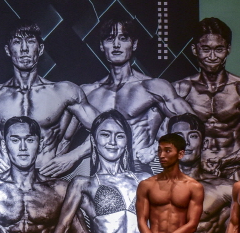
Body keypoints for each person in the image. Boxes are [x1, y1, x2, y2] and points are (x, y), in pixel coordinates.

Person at [0, 22, 99, 178]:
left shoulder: (64, 92)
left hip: (48, 179)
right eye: (17, 42)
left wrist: (73, 156)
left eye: (30, 41)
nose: (24, 48)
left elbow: (108, 128)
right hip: (5, 181)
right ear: (8, 50)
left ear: (40, 49)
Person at [81, 19, 192, 172]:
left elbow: (193, 124)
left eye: (123, 38)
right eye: (110, 39)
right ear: (101, 45)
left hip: (140, 169)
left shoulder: (154, 88)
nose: (116, 44)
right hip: (101, 172)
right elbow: (62, 138)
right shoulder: (88, 93)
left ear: (134, 44)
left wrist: (159, 146)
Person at [174, 17, 240, 180]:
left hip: (233, 171)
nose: (212, 56)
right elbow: (162, 135)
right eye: (206, 49)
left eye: (219, 49)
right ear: (194, 49)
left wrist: (226, 160)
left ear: (228, 49)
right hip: (191, 174)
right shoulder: (180, 91)